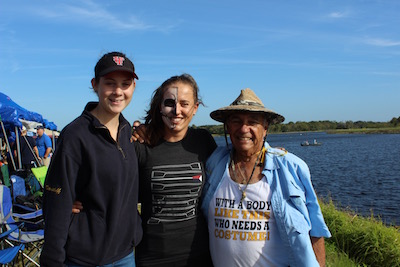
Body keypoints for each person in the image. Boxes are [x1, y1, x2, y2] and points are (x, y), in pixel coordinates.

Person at [201, 88, 331, 267]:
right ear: (228, 127)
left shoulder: (290, 168)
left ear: (265, 128)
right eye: (236, 121)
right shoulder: (214, 163)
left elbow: (315, 230)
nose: (243, 129)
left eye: (252, 122)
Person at [40, 51, 143, 267]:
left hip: (125, 254)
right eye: (109, 83)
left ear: (133, 87)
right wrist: (52, 261)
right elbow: (56, 205)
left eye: (125, 84)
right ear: (95, 84)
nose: (117, 92)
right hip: (85, 258)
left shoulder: (129, 133)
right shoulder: (75, 135)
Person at [134, 74, 217, 266]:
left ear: (195, 108)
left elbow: (232, 166)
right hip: (152, 256)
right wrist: (79, 199)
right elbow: (114, 184)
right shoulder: (140, 145)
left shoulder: (203, 141)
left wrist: (268, 154)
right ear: (160, 107)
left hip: (199, 255)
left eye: (184, 104)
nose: (177, 111)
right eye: (170, 103)